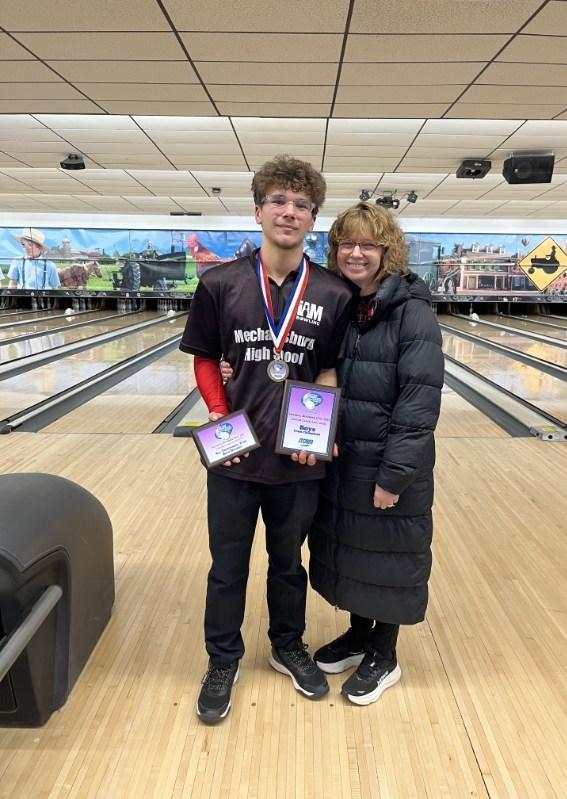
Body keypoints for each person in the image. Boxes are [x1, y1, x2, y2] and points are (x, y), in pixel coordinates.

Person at [179, 155, 354, 724]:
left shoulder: (332, 292)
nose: (289, 211)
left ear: (313, 219)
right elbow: (206, 359)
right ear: (258, 211)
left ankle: (286, 644)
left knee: (287, 565)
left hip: (298, 460)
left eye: (302, 205)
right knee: (226, 566)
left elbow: (327, 373)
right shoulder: (220, 283)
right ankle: (222, 658)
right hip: (234, 458)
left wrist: (321, 431)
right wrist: (216, 410)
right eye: (278, 201)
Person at [308, 202, 444, 706]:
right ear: (336, 249)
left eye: (368, 244)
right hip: (343, 458)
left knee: (387, 554)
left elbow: (419, 402)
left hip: (387, 464)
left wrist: (395, 475)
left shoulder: (413, 312)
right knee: (354, 549)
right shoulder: (339, 307)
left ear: (388, 250)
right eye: (348, 243)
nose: (357, 253)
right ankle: (359, 634)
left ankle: (384, 654)